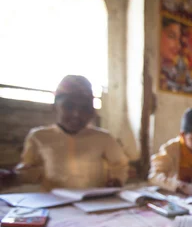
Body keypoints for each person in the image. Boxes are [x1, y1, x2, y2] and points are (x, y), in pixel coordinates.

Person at [0, 75, 128, 190]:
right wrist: (14, 176)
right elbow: (29, 170)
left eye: (84, 108)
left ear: (91, 112)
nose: (77, 114)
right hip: (54, 204)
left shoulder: (103, 138)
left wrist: (116, 179)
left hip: (95, 203)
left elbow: (120, 165)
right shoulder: (38, 137)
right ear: (54, 107)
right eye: (69, 106)